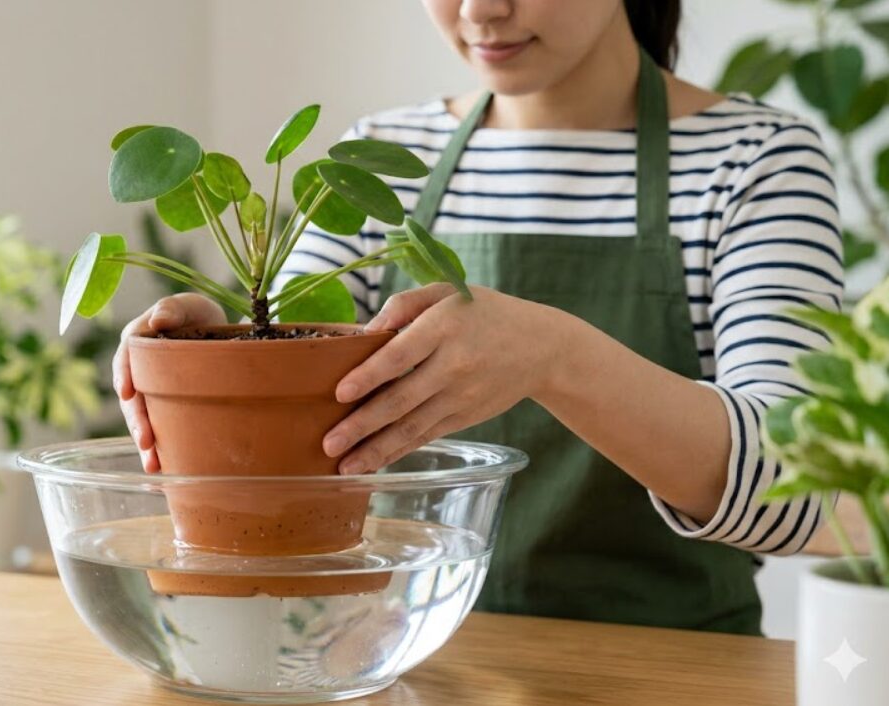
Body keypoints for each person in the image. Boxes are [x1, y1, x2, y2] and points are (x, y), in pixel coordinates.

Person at [112, 0, 842, 635]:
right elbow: (292, 415)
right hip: (395, 652)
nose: (480, 10)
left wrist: (554, 356)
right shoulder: (383, 163)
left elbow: (804, 492)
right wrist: (216, 352)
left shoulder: (753, 162)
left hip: (672, 668)